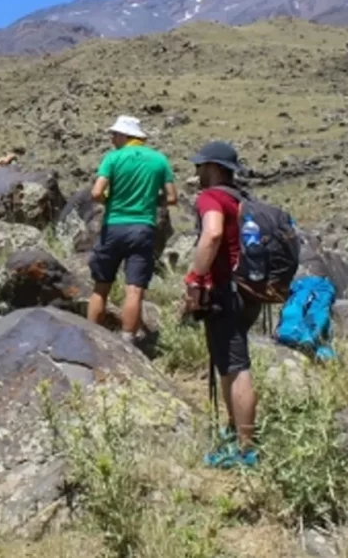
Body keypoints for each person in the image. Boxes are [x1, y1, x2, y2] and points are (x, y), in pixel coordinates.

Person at [185, 141, 261, 469]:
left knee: (235, 366)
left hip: (225, 291)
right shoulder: (241, 199)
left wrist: (194, 278)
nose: (197, 172)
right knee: (230, 364)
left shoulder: (211, 197)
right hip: (247, 290)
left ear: (213, 168)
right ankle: (234, 432)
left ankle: (246, 449)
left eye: (201, 166)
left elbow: (213, 234)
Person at [87, 115, 177, 345]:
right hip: (142, 228)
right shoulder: (159, 160)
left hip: (113, 227)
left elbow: (96, 193)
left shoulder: (113, 158)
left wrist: (111, 202)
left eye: (115, 134)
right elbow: (172, 197)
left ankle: (90, 338)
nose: (111, 139)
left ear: (127, 136)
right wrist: (149, 203)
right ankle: (128, 341)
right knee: (134, 289)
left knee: (100, 288)